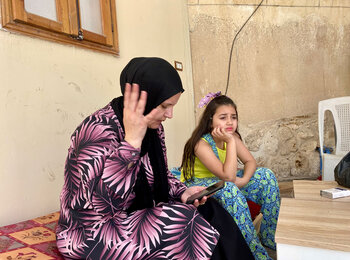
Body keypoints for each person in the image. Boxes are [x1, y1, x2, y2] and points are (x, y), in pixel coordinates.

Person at [56, 58, 253, 259]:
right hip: (90, 232)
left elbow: (161, 175)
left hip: (133, 215)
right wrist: (131, 143)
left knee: (208, 209)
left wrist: (183, 192)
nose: (170, 114)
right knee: (180, 220)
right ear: (146, 99)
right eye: (165, 106)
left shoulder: (153, 128)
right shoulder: (95, 132)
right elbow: (101, 206)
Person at [180, 93, 281, 260]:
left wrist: (244, 180)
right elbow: (227, 177)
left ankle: (270, 236)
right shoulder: (201, 144)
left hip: (227, 179)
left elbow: (250, 162)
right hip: (200, 183)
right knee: (230, 188)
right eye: (223, 117)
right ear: (210, 119)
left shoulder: (231, 137)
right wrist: (231, 143)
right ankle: (254, 252)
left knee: (266, 175)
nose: (229, 122)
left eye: (233, 117)